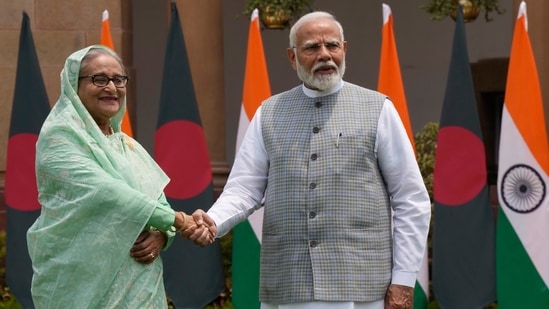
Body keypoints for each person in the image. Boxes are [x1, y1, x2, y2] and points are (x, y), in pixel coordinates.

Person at [188, 11, 431, 309]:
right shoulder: (269, 112)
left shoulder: (378, 109)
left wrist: (404, 280)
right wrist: (212, 221)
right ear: (292, 57)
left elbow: (411, 198)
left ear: (345, 49)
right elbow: (244, 188)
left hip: (363, 288)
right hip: (290, 283)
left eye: (332, 45)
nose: (325, 55)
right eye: (312, 48)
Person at [26, 45, 208, 308]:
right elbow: (107, 193)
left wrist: (162, 234)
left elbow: (158, 201)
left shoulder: (127, 146)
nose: (111, 87)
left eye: (118, 79)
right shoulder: (59, 137)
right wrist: (180, 221)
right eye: (99, 79)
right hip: (81, 283)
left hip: (141, 285)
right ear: (73, 86)